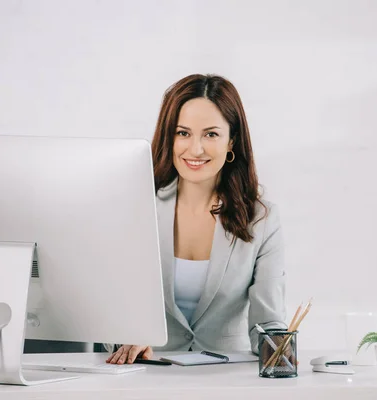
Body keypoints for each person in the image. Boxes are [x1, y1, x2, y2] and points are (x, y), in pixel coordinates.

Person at [107, 74, 287, 364]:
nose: (196, 149)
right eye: (183, 133)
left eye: (211, 134)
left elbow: (268, 323)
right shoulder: (136, 208)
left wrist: (281, 352)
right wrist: (126, 338)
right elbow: (109, 309)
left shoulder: (261, 219)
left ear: (232, 141)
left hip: (226, 377)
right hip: (148, 374)